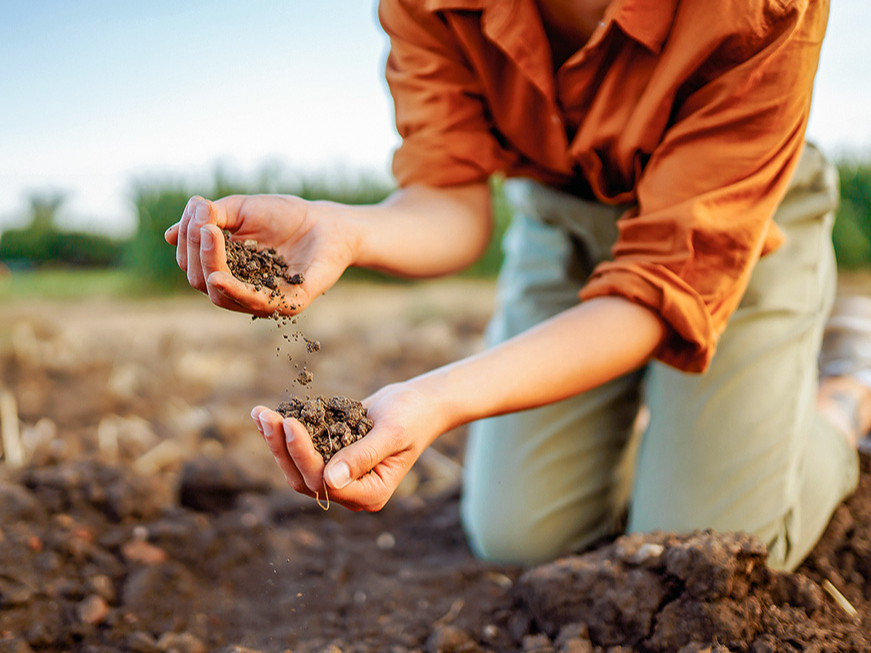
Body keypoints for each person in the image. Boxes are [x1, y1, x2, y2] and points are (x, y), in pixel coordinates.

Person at [165, 0, 871, 571]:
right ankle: (668, 423)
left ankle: (843, 391)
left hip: (727, 230)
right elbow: (448, 204)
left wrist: (435, 398)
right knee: (517, 536)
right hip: (563, 223)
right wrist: (341, 227)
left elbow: (656, 286)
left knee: (713, 544)